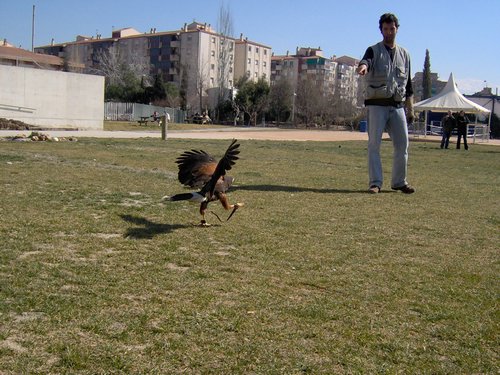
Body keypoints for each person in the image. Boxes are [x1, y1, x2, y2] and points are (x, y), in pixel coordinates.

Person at [356, 13, 415, 194]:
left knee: (402, 144)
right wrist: (363, 67)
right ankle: (375, 183)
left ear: (397, 28)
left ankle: (399, 182)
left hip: (397, 106)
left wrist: (410, 108)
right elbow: (366, 61)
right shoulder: (373, 50)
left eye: (392, 28)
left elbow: (409, 86)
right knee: (374, 144)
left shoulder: (405, 55)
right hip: (377, 105)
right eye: (385, 29)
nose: (389, 32)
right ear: (381, 30)